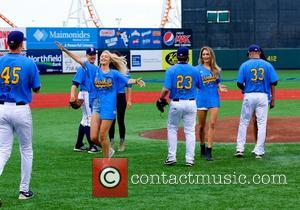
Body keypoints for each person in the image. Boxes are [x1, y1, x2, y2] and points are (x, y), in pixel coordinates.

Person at [55, 42, 145, 158]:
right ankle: (109, 150)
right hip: (96, 105)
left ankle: (106, 160)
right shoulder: (94, 70)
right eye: (102, 56)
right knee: (93, 138)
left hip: (108, 106)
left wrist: (136, 81)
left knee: (103, 135)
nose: (103, 57)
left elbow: (127, 80)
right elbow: (79, 60)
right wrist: (65, 50)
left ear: (110, 60)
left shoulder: (114, 73)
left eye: (106, 56)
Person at [0, 31, 41, 200]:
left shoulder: (0, 61)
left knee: (3, 151)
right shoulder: (29, 63)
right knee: (26, 150)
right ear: (21, 44)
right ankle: (24, 191)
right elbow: (37, 88)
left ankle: (24, 190)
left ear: (8, 44)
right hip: (20, 109)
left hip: (1, 108)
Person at [158, 46, 201, 167]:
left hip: (176, 103)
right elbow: (199, 86)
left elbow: (166, 89)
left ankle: (171, 157)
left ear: (177, 56)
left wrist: (160, 99)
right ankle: (189, 159)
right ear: (188, 57)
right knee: (190, 131)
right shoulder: (195, 70)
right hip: (191, 103)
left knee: (172, 129)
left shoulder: (171, 70)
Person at [235, 44, 278, 159]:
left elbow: (239, 83)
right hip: (263, 96)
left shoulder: (244, 65)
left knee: (244, 122)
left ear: (249, 53)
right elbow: (274, 82)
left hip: (249, 95)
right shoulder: (268, 65)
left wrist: (245, 90)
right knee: (262, 123)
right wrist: (273, 98)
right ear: (259, 52)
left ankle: (240, 149)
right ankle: (259, 150)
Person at [196, 46, 227, 161]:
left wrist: (220, 87)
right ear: (201, 56)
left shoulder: (216, 69)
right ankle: (202, 146)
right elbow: (195, 84)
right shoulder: (196, 69)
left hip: (214, 98)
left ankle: (209, 151)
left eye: (207, 54)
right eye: (203, 54)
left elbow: (218, 82)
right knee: (201, 126)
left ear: (211, 56)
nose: (205, 56)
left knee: (212, 124)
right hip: (201, 98)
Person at [71, 47, 99, 153]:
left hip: (90, 95)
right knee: (89, 119)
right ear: (86, 56)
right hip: (85, 94)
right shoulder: (84, 67)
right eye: (90, 54)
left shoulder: (95, 68)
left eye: (94, 54)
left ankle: (78, 144)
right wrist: (72, 96)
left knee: (84, 120)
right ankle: (92, 146)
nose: (92, 56)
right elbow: (75, 84)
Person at [108, 51, 132, 152]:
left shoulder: (124, 70)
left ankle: (122, 142)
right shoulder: (108, 69)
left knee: (121, 120)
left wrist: (129, 100)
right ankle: (111, 142)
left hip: (121, 96)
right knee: (110, 120)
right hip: (110, 97)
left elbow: (129, 85)